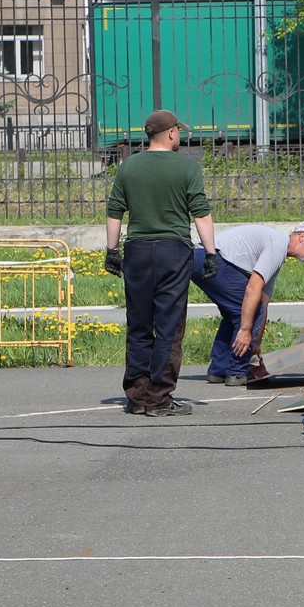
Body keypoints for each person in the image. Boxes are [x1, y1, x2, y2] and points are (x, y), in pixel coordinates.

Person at [104, 110, 217, 416]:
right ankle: (159, 397)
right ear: (170, 134)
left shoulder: (129, 167)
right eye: (178, 131)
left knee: (139, 323)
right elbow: (201, 214)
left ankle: (137, 395)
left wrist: (112, 250)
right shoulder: (185, 167)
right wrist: (210, 253)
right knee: (168, 325)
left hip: (137, 251)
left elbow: (115, 211)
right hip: (173, 252)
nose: (180, 135)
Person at [192, 220, 304, 384]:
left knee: (241, 310)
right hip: (208, 256)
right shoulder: (277, 245)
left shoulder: (277, 251)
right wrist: (246, 330)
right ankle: (237, 372)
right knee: (246, 310)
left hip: (200, 257)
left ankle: (219, 370)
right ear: (302, 237)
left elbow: (264, 302)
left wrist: (255, 343)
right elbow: (252, 289)